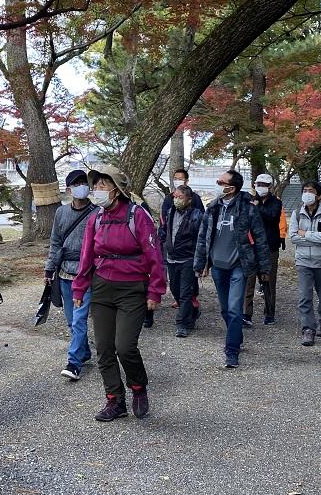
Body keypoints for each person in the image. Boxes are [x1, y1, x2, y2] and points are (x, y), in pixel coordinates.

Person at [73, 165, 165, 422]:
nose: (97, 190)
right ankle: (114, 401)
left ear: (117, 190)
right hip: (102, 285)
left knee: (124, 346)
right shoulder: (96, 218)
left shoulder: (138, 215)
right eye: (96, 185)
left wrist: (155, 291)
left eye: (103, 185)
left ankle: (138, 387)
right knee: (103, 348)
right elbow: (86, 255)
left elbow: (154, 255)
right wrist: (79, 287)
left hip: (132, 288)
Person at [194, 169, 271, 368]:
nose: (218, 184)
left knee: (235, 310)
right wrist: (200, 263)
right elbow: (203, 237)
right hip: (218, 266)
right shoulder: (212, 208)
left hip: (239, 265)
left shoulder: (248, 208)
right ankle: (236, 335)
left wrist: (264, 267)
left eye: (221, 182)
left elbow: (260, 238)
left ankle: (232, 350)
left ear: (232, 187)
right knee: (225, 309)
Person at [44, 169, 98, 381]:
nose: (80, 187)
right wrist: (49, 268)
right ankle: (83, 353)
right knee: (70, 320)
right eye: (76, 184)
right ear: (68, 189)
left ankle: (73, 363)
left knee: (79, 319)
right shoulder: (61, 213)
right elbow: (55, 242)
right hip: (64, 273)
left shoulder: (97, 213)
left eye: (83, 183)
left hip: (86, 274)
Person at [288, 180, 321, 347]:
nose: (307, 193)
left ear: (318, 195)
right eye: (305, 190)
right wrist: (317, 236)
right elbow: (293, 237)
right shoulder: (296, 213)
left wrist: (306, 234)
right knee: (304, 297)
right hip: (303, 262)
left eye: (310, 190)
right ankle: (308, 328)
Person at [158, 184, 204, 337]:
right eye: (175, 197)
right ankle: (192, 311)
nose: (177, 200)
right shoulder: (170, 212)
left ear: (189, 200)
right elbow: (165, 231)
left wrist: (201, 261)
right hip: (171, 258)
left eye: (180, 197)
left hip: (188, 258)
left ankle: (181, 324)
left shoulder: (197, 215)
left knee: (185, 292)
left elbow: (201, 239)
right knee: (175, 290)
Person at [244, 174, 287, 326]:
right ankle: (246, 314)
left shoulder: (276, 202)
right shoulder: (248, 200)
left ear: (270, 187)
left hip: (270, 247)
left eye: (264, 184)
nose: (260, 187)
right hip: (251, 247)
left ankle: (269, 313)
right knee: (248, 282)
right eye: (258, 184)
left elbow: (272, 216)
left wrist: (258, 207)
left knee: (268, 281)